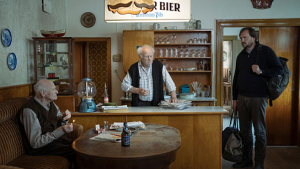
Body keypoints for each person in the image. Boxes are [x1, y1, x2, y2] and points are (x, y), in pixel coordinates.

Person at [232, 27, 283, 169]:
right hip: (242, 97)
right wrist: (234, 99)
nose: (242, 40)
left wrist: (261, 71)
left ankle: (259, 163)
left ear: (253, 38)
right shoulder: (241, 56)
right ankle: (247, 160)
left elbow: (279, 69)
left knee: (259, 132)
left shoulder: (265, 51)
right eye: (241, 38)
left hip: (259, 98)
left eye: (245, 37)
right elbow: (236, 78)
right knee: (244, 132)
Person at [17, 79, 77, 168]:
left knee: (79, 145)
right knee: (77, 151)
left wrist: (64, 119)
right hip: (41, 148)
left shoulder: (52, 104)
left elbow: (59, 121)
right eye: (53, 89)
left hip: (54, 142)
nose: (56, 91)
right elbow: (35, 143)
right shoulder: (29, 110)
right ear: (43, 93)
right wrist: (60, 130)